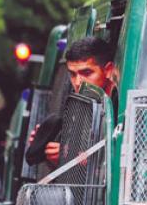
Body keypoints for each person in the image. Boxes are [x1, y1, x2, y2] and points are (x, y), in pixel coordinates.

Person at [26, 36, 116, 167]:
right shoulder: (80, 109)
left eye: (87, 72)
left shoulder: (120, 107)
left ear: (108, 70)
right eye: (73, 74)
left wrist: (71, 158)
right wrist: (50, 150)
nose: (78, 82)